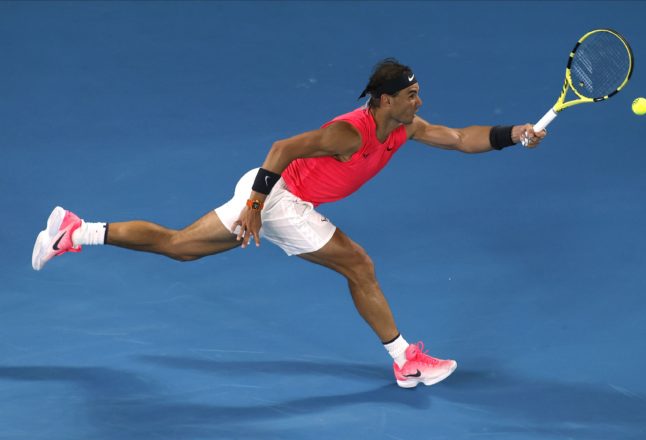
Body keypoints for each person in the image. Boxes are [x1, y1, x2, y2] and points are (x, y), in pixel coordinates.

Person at [32, 58, 546, 388]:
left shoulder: (405, 128)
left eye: (419, 93)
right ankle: (404, 358)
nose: (419, 101)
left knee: (179, 246)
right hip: (277, 199)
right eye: (411, 95)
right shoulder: (351, 132)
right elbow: (281, 149)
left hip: (274, 200)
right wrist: (256, 206)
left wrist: (513, 133)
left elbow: (459, 139)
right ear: (385, 99)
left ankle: (76, 231)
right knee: (358, 265)